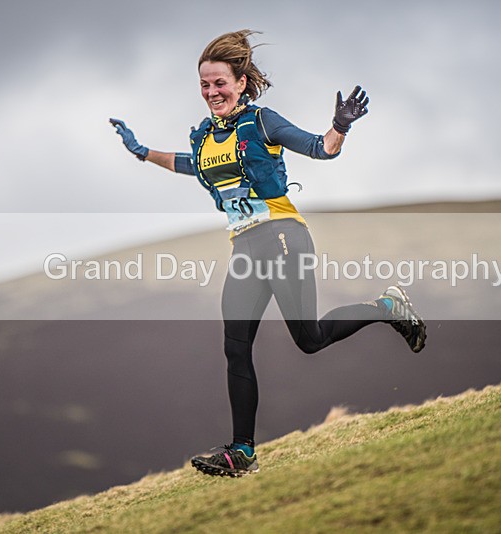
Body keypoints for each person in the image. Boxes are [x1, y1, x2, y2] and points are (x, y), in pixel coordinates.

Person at [110, 30, 426, 478]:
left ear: (240, 82)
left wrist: (341, 125)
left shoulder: (262, 122)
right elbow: (188, 163)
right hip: (244, 248)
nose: (211, 92)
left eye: (219, 83)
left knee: (309, 339)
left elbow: (321, 149)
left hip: (282, 238)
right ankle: (243, 452)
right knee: (235, 348)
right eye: (204, 85)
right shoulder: (204, 137)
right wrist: (142, 152)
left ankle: (387, 307)